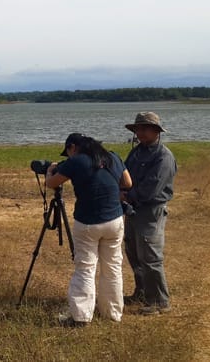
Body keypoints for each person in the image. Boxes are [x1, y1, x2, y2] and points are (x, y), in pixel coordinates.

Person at [45, 133, 132, 327]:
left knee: (85, 267)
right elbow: (128, 183)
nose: (68, 156)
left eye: (68, 152)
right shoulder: (112, 156)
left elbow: (52, 184)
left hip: (88, 223)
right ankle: (112, 313)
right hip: (115, 220)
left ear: (73, 147)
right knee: (112, 267)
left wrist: (51, 170)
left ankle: (81, 317)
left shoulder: (76, 161)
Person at [121, 112, 177, 315]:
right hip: (133, 209)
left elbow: (151, 189)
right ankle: (143, 292)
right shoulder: (136, 152)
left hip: (150, 211)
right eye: (138, 129)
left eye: (145, 128)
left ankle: (160, 301)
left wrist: (125, 196)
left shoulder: (164, 157)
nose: (140, 132)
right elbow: (124, 174)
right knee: (133, 251)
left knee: (150, 256)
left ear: (156, 131)